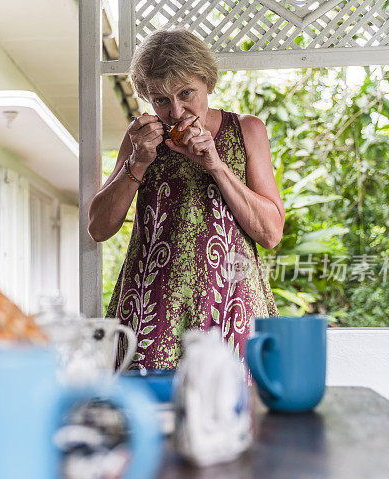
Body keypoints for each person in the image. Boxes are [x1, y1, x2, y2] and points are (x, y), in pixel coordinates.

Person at [88, 28, 282, 370]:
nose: (175, 110)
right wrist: (138, 163)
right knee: (149, 415)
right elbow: (99, 228)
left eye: (186, 92)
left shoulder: (247, 130)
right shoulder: (140, 140)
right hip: (151, 308)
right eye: (160, 99)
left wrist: (216, 167)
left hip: (231, 306)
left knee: (234, 414)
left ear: (207, 81)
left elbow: (270, 233)